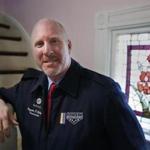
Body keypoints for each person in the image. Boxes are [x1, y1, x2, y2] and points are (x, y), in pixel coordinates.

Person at [0, 18, 148, 150]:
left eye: (54, 41)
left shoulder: (105, 93)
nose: (47, 50)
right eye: (39, 44)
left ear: (68, 45)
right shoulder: (26, 88)